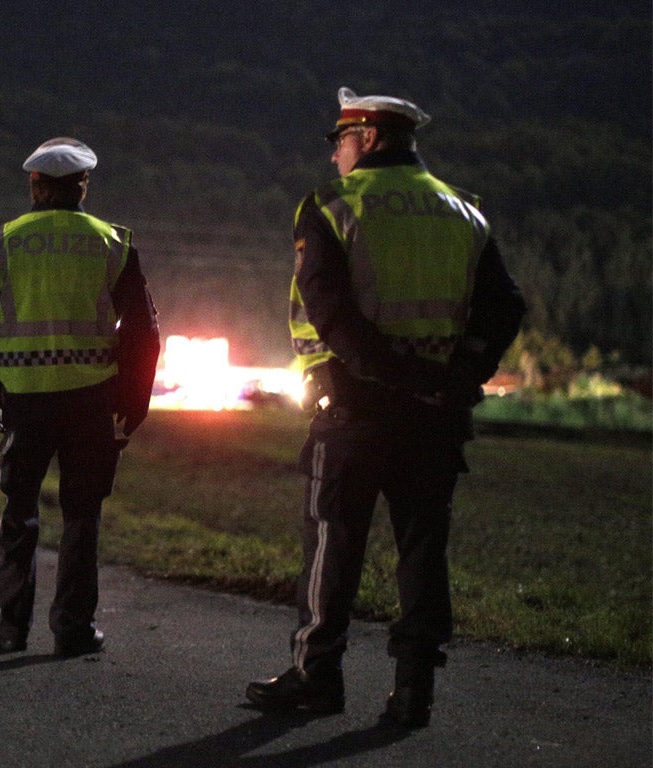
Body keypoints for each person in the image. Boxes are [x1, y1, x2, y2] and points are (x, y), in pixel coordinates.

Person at [246, 88, 525, 726]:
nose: (336, 152)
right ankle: (414, 692)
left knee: (333, 544)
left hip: (356, 412)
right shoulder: (465, 210)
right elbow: (505, 305)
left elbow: (330, 312)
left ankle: (316, 679)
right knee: (423, 552)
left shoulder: (331, 205)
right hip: (436, 416)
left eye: (340, 139)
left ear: (368, 138)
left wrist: (386, 376)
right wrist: (459, 376)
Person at [0, 137, 161, 658]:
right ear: (83, 187)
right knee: (82, 515)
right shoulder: (112, 243)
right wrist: (134, 401)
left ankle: (9, 628)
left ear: (34, 184)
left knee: (19, 511)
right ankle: (73, 629)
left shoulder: (2, 242)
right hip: (92, 404)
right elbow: (143, 331)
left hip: (23, 401)